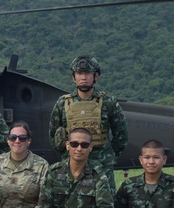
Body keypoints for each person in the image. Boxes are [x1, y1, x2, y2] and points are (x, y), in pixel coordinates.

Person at [48, 55, 127, 191]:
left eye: (87, 73)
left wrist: (107, 155)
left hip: (102, 166)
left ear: (96, 76)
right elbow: (54, 135)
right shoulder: (63, 103)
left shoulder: (108, 102)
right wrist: (68, 154)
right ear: (74, 77)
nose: (83, 77)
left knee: (106, 205)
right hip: (73, 165)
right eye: (79, 73)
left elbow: (121, 135)